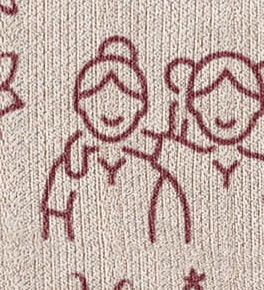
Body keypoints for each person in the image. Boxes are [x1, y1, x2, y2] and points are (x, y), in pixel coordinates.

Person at [41, 36, 191, 248]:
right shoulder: (70, 169)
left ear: (140, 107)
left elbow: (172, 230)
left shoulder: (153, 174)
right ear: (82, 105)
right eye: (98, 98)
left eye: (125, 99)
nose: (111, 110)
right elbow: (54, 216)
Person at [161, 52, 264, 246]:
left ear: (257, 110)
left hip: (258, 259)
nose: (225, 115)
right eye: (210, 103)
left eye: (241, 103)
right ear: (195, 109)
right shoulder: (186, 165)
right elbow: (166, 217)